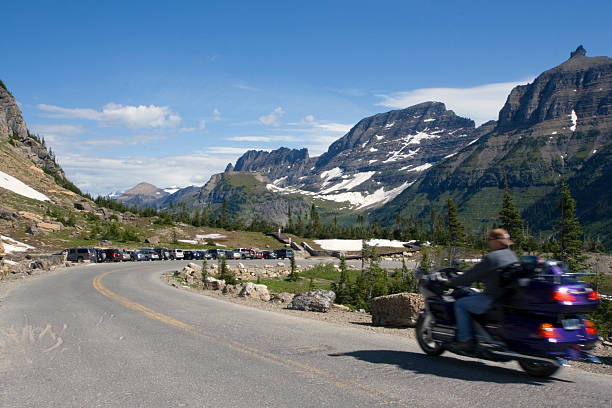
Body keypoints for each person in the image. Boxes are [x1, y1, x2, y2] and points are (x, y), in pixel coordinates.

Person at [449, 228, 519, 351]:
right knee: (472, 297)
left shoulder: (492, 257)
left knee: (460, 304)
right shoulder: (512, 256)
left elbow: (471, 274)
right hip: (507, 299)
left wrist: (452, 282)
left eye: (490, 240)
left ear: (496, 241)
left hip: (492, 299)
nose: (489, 242)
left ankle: (465, 340)